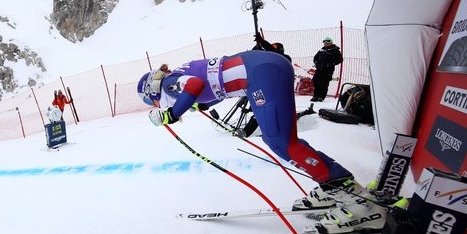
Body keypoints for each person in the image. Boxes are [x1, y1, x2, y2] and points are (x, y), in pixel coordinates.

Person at [137, 49, 357, 211]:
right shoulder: (176, 76)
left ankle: (344, 190)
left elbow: (195, 85)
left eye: (155, 104)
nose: (159, 107)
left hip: (261, 74)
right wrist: (204, 104)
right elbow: (213, 86)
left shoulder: (169, 84)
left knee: (280, 142)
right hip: (263, 70)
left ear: (152, 92)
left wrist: (172, 114)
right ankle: (334, 181)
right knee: (285, 140)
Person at [311, 36, 343, 102]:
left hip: (328, 70)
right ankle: (315, 96)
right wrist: (316, 62)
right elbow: (316, 57)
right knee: (315, 81)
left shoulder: (335, 50)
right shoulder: (321, 50)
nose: (325, 43)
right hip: (319, 69)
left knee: (324, 83)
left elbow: (340, 59)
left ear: (331, 42)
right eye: (324, 42)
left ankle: (321, 97)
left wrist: (332, 63)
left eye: (327, 42)